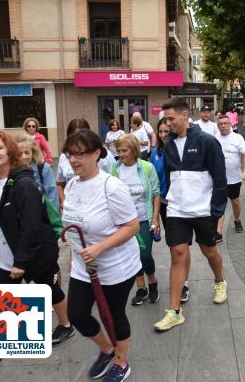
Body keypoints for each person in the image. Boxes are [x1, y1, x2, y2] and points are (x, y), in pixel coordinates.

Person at [0, 131, 72, 362]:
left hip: (35, 253)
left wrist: (21, 261)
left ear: (9, 150)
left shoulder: (24, 183)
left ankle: (66, 324)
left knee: (49, 289)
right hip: (5, 255)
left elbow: (31, 227)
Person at [61, 129, 141, 381]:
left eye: (79, 154)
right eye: (69, 154)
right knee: (76, 314)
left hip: (116, 266)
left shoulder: (112, 186)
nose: (73, 160)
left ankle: (121, 361)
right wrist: (75, 253)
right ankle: (106, 349)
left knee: (113, 315)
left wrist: (99, 247)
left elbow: (132, 226)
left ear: (96, 153)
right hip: (83, 266)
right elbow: (74, 223)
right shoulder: (72, 184)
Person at [153, 97, 228, 332]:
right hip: (176, 209)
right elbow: (169, 175)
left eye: (171, 118)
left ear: (185, 115)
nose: (168, 123)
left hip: (204, 210)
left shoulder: (207, 141)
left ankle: (219, 281)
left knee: (209, 251)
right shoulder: (168, 144)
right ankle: (174, 311)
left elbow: (220, 179)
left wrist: (216, 212)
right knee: (177, 253)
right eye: (165, 119)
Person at [111, 135, 161, 306]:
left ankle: (153, 282)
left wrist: (155, 219)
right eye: (119, 151)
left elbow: (156, 193)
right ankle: (141, 288)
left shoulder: (147, 167)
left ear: (134, 150)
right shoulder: (115, 170)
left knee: (145, 254)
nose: (121, 154)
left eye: (124, 150)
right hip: (124, 223)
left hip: (144, 219)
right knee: (133, 255)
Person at [149, 118, 191, 303]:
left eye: (167, 131)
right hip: (165, 204)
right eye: (161, 132)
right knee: (174, 246)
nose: (164, 135)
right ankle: (179, 278)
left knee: (181, 246)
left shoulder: (181, 149)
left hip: (182, 205)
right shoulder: (155, 154)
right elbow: (154, 184)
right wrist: (155, 215)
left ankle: (184, 283)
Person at [57, 118, 116, 210]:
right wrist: (62, 201)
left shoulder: (105, 156)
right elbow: (59, 183)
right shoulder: (65, 159)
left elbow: (116, 179)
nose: (72, 160)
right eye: (73, 136)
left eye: (79, 154)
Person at [215, 115, 245, 237]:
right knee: (220, 203)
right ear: (217, 126)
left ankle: (237, 220)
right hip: (219, 179)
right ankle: (218, 230)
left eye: (225, 123)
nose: (223, 126)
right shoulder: (214, 139)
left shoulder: (237, 138)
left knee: (235, 202)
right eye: (220, 124)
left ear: (230, 124)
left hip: (234, 178)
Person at [14, 132, 59, 209]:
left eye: (27, 152)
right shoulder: (12, 170)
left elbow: (52, 197)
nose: (24, 157)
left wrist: (50, 219)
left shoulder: (43, 168)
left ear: (33, 152)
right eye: (19, 153)